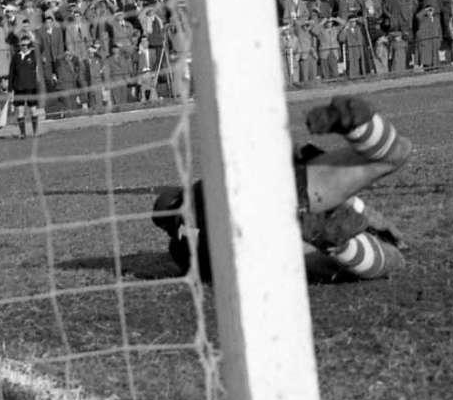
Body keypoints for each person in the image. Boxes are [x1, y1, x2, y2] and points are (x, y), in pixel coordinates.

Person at [153, 95, 408, 282]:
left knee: (369, 261)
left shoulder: (182, 253)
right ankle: (362, 128)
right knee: (396, 154)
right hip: (277, 190)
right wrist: (365, 211)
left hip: (257, 246)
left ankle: (339, 246)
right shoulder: (205, 186)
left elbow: (219, 274)